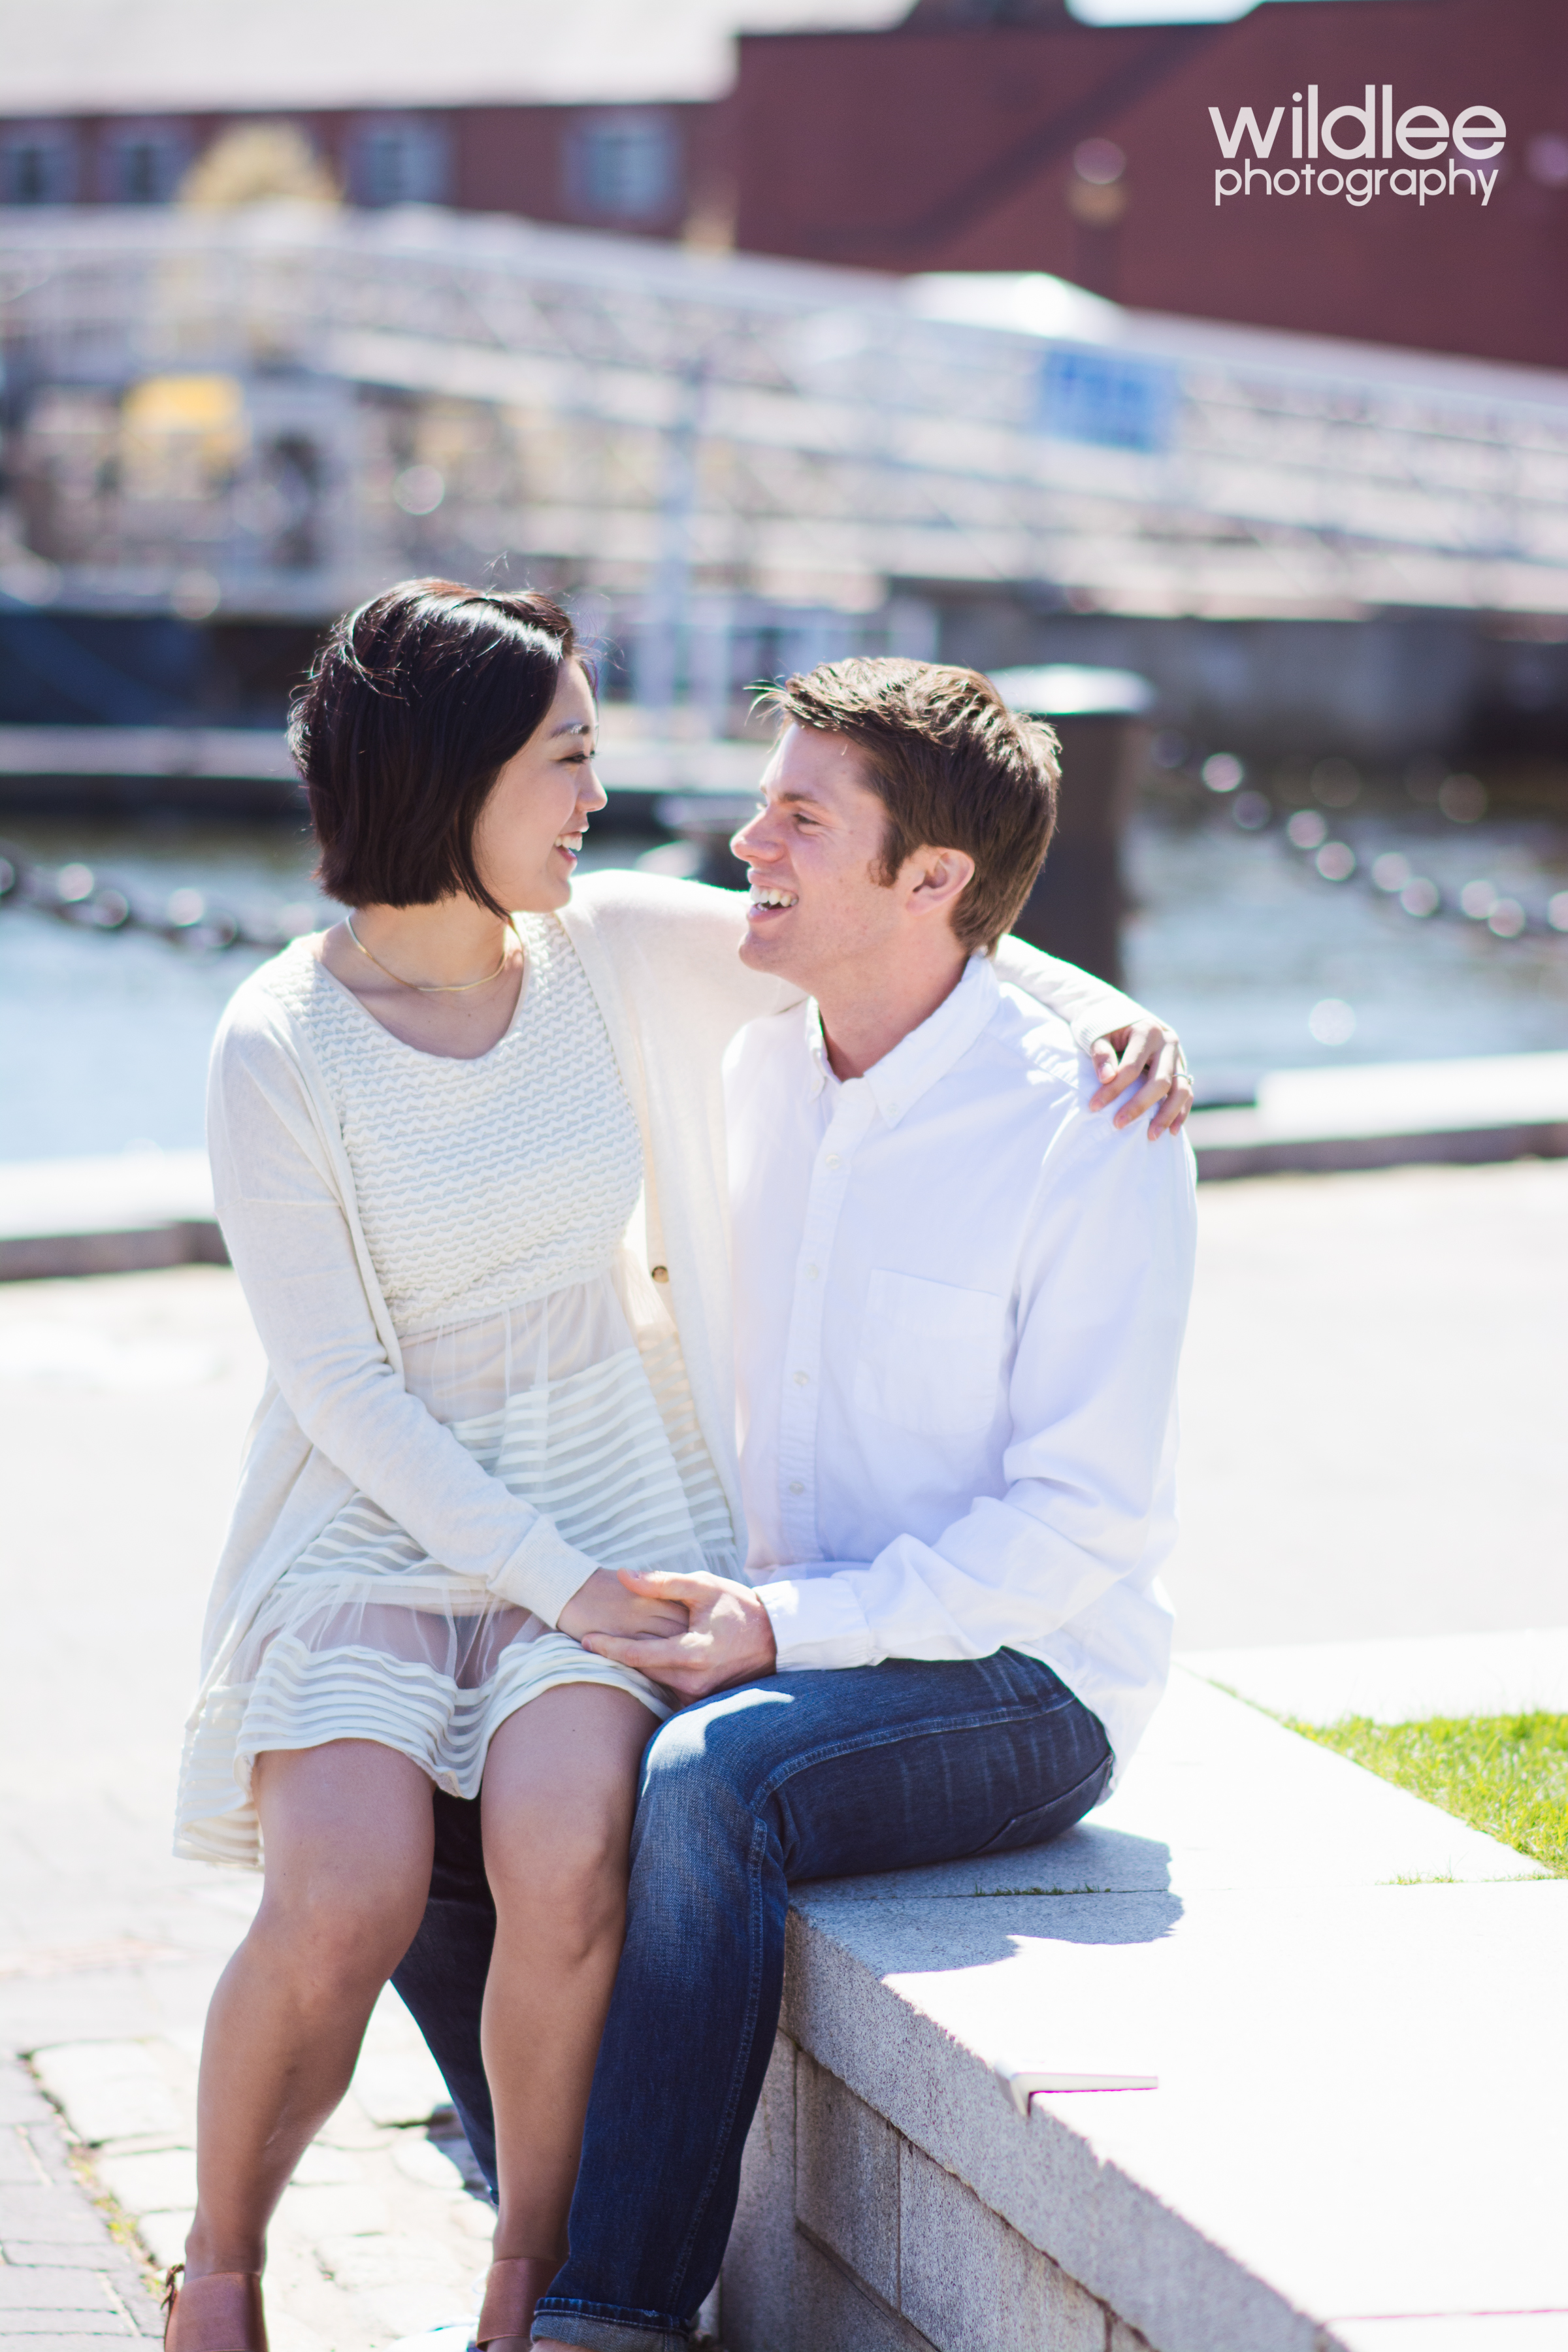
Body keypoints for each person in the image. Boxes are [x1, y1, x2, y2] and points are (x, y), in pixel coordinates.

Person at [167, 588, 1188, 2352]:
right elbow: (332, 1373)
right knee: (373, 1856)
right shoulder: (359, 1034)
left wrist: (1129, 1020)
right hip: (507, 1544)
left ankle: (570, 2303)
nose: (706, 829)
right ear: (449, 775)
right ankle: (302, 2248)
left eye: (795, 815)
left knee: (635, 1807)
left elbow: (938, 927)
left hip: (808, 1581)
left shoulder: (666, 966)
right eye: (570, 752)